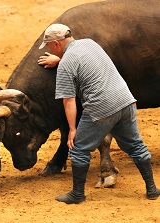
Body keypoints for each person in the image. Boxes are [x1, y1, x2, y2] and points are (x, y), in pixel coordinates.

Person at [38, 24, 160, 204]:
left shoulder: (65, 66)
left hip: (100, 108)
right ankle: (152, 189)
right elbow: (91, 63)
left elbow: (69, 101)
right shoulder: (90, 43)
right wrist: (61, 61)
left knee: (79, 149)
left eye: (48, 46)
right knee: (136, 146)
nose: (48, 49)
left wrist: (72, 129)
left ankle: (77, 194)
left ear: (56, 43)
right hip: (125, 100)